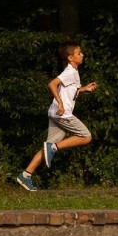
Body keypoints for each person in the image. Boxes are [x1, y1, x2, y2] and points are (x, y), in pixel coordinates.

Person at [16, 41, 97, 191]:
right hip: (62, 113)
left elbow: (70, 92)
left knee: (47, 147)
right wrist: (60, 103)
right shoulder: (69, 72)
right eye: (79, 53)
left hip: (55, 114)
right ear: (70, 57)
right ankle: (54, 147)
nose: (82, 55)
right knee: (86, 136)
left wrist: (84, 89)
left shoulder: (73, 72)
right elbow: (52, 84)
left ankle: (25, 175)